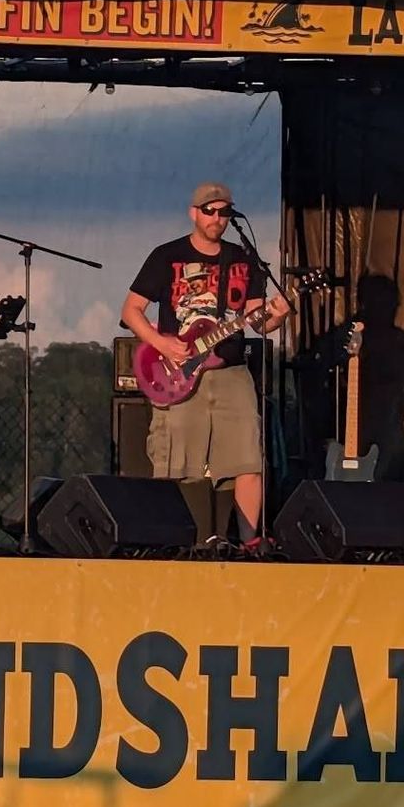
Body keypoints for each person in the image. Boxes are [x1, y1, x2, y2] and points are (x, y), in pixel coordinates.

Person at [120, 181, 290, 545]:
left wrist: (277, 315)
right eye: (209, 211)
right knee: (175, 460)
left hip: (231, 371)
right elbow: (131, 310)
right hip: (179, 371)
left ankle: (249, 543)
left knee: (248, 458)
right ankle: (169, 540)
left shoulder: (244, 259)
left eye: (223, 212)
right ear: (193, 213)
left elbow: (258, 321)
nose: (217, 218)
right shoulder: (167, 256)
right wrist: (161, 343)